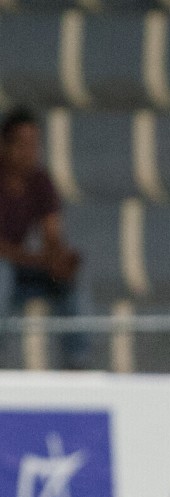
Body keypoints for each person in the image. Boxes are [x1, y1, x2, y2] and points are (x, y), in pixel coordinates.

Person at [0, 106, 91, 370]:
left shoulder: (39, 181)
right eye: (23, 144)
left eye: (35, 144)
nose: (30, 152)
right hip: (7, 270)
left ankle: (78, 363)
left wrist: (59, 259)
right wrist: (40, 258)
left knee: (73, 277)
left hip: (21, 269)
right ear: (5, 146)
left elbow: (52, 233)